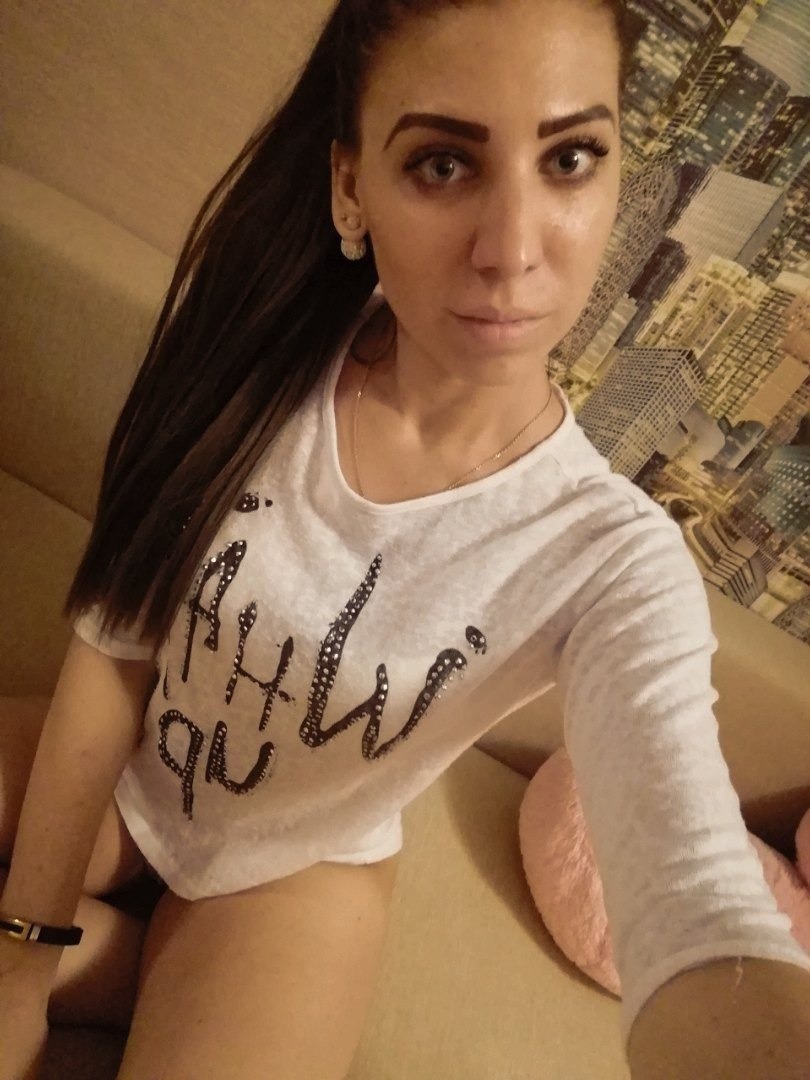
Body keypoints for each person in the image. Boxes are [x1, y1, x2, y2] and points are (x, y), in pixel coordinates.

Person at [2, 0, 809, 1077]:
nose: (512, 250)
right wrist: (23, 960)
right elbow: (117, 641)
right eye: (443, 164)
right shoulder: (255, 344)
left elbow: (694, 893)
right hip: (131, 762)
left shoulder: (608, 556)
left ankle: (153, 979)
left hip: (294, 872)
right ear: (352, 185)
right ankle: (126, 971)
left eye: (569, 158)